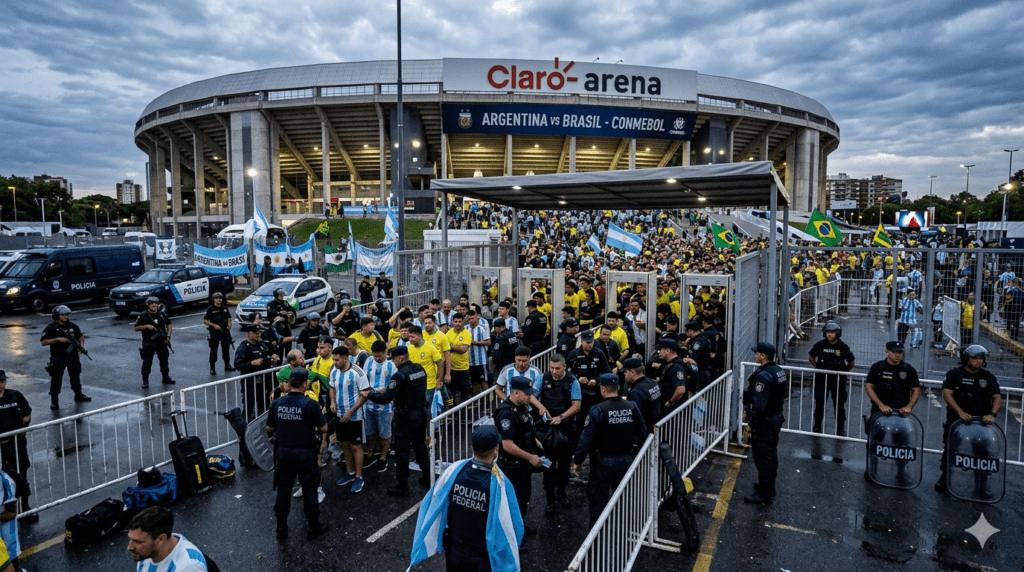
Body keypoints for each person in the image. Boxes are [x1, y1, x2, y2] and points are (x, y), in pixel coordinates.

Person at [572, 373, 646, 525]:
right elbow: (642, 432)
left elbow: (586, 439)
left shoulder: (598, 410)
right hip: (626, 459)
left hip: (603, 462)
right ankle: (623, 531)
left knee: (598, 499)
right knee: (623, 497)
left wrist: (578, 461)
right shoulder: (632, 406)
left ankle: (597, 537)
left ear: (603, 389)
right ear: (618, 388)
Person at [267, 368, 329, 541]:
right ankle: (313, 528)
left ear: (290, 383)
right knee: (310, 490)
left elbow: (269, 428)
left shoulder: (277, 403)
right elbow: (324, 428)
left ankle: (281, 530)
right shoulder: (310, 404)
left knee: (283, 491)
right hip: (305, 453)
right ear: (305, 384)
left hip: (284, 453)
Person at [365, 346, 431, 496]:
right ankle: (428, 477)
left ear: (400, 358)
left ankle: (402, 486)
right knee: (420, 447)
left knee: (402, 451)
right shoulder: (419, 368)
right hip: (421, 413)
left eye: (394, 359)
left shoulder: (399, 375)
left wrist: (369, 394)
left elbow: (385, 399)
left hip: (406, 417)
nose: (393, 362)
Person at [936, 344, 1001, 493]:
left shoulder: (988, 377)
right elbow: (947, 394)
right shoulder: (955, 374)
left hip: (980, 422)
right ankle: (945, 479)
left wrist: (992, 414)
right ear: (966, 359)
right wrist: (960, 412)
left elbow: (997, 397)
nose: (978, 361)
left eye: (980, 358)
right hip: (957, 420)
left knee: (982, 452)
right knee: (951, 449)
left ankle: (982, 484)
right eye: (975, 358)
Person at [864, 341, 920, 481]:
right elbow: (869, 387)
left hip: (900, 415)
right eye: (894, 352)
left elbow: (916, 390)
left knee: (902, 445)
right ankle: (872, 469)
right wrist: (881, 405)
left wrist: (909, 407)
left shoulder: (908, 370)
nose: (897, 355)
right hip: (879, 413)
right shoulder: (877, 367)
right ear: (886, 352)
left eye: (900, 352)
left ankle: (901, 472)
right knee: (874, 442)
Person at [494, 376, 543, 535]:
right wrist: (530, 457)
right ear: (515, 393)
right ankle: (512, 535)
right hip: (512, 466)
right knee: (512, 501)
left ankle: (519, 526)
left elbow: (523, 429)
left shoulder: (521, 405)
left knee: (523, 498)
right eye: (527, 394)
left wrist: (535, 441)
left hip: (522, 465)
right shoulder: (506, 414)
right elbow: (507, 445)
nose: (530, 397)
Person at [743, 343, 788, 504]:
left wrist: (751, 424)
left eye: (757, 354)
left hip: (766, 420)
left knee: (762, 456)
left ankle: (766, 490)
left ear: (763, 356)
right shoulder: (778, 370)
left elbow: (759, 405)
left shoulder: (763, 375)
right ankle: (768, 484)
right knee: (770, 452)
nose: (755, 356)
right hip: (775, 416)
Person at [537, 355, 581, 517]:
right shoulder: (543, 378)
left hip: (566, 430)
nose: (554, 372)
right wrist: (541, 406)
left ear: (564, 367)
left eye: (557, 368)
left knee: (563, 466)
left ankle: (561, 493)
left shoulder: (572, 381)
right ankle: (550, 499)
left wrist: (561, 417)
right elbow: (531, 396)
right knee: (548, 465)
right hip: (547, 431)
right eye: (552, 368)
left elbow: (577, 405)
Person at [330, 346, 370, 494]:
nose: (334, 362)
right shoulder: (334, 370)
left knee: (355, 446)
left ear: (346, 358)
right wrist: (332, 402)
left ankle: (359, 477)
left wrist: (351, 412)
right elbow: (332, 387)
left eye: (337, 359)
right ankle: (350, 472)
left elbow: (365, 394)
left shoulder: (357, 373)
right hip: (340, 415)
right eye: (333, 359)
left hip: (355, 417)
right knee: (345, 444)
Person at [807, 321, 855, 436]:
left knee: (839, 404)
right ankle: (817, 426)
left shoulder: (842, 346)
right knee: (820, 402)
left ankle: (840, 429)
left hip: (838, 380)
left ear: (837, 333)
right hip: (822, 379)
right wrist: (819, 368)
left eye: (832, 332)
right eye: (828, 332)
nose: (830, 334)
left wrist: (843, 372)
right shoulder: (821, 344)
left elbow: (851, 362)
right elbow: (811, 357)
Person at [127, 507, 212, 571]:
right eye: (130, 539)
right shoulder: (145, 555)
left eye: (138, 542)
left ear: (161, 539)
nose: (130, 547)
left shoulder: (188, 566)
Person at [40, 305, 90, 408]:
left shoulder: (72, 326)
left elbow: (80, 337)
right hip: (58, 357)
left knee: (75, 376)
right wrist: (57, 339)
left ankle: (78, 395)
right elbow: (43, 342)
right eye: (63, 315)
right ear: (57, 316)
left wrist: (80, 347)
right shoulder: (51, 328)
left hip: (73, 356)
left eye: (67, 315)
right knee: (56, 378)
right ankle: (54, 401)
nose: (66, 317)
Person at [0, 372, 34, 522]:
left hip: (17, 443)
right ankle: (8, 507)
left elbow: (27, 413)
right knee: (4, 477)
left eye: (2, 381)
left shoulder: (14, 395)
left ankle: (24, 506)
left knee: (22, 472)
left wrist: (23, 428)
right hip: (1, 448)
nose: (0, 385)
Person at [234, 324, 281, 419]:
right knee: (249, 407)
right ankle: (244, 430)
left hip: (262, 382)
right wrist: (251, 363)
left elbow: (264, 358)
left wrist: (272, 358)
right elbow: (237, 365)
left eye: (259, 333)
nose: (258, 335)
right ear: (248, 334)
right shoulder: (244, 347)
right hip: (250, 383)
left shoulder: (260, 344)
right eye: (255, 333)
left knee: (263, 406)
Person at [362, 341, 395, 473]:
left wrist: (385, 390)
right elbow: (364, 379)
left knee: (384, 432)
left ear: (386, 352)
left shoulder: (392, 366)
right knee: (370, 431)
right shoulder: (368, 362)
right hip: (369, 404)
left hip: (385, 406)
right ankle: (370, 454)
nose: (377, 358)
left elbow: (395, 384)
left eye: (380, 356)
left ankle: (383, 456)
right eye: (375, 356)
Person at [135, 297, 175, 389]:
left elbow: (169, 324)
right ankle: (145, 381)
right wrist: (146, 326)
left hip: (161, 342)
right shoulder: (143, 315)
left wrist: (168, 336)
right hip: (149, 343)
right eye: (152, 303)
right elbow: (136, 327)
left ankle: (166, 377)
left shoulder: (161, 314)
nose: (155, 305)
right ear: (148, 305)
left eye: (156, 303)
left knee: (164, 361)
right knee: (147, 362)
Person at [622, 357, 661, 436]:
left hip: (643, 432)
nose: (624, 374)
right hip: (654, 426)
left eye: (626, 371)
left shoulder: (637, 392)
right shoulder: (653, 383)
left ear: (632, 372)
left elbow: (634, 416)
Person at [203, 292, 235, 375]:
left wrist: (229, 325)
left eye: (220, 298)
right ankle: (212, 368)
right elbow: (205, 321)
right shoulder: (210, 309)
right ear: (214, 299)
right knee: (214, 350)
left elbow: (229, 318)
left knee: (226, 349)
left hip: (224, 331)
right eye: (217, 298)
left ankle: (227, 365)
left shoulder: (224, 308)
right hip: (215, 331)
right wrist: (214, 325)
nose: (219, 300)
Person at [445, 313, 473, 405]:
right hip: (451, 369)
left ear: (463, 322)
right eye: (456, 321)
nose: (457, 324)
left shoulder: (467, 333)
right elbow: (445, 349)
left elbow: (463, 349)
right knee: (451, 393)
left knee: (464, 393)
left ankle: (465, 415)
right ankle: (453, 414)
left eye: (459, 322)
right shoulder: (449, 333)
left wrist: (450, 347)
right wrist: (456, 347)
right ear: (453, 322)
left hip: (463, 369)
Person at [656, 338, 689, 413]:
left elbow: (681, 389)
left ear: (667, 351)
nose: (658, 352)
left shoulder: (676, 367)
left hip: (673, 407)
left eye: (660, 349)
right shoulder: (667, 363)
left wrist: (670, 402)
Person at [466, 309, 491, 395]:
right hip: (470, 362)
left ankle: (486, 403)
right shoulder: (465, 329)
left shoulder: (482, 328)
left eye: (472, 318)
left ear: (477, 317)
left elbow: (488, 342)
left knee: (484, 382)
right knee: (474, 382)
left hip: (481, 361)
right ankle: (477, 403)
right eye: (469, 319)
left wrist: (475, 343)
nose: (471, 321)